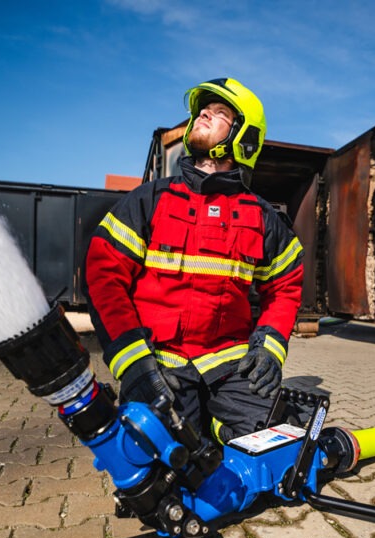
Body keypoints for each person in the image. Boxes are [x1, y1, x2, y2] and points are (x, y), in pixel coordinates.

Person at [83, 78, 304, 444]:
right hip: (160, 361)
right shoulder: (148, 200)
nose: (204, 114)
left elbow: (284, 288)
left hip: (230, 364)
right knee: (161, 457)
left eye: (220, 113)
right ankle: (204, 428)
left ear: (244, 137)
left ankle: (216, 426)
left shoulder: (263, 217)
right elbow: (103, 277)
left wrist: (269, 348)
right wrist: (133, 363)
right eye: (203, 110)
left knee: (281, 440)